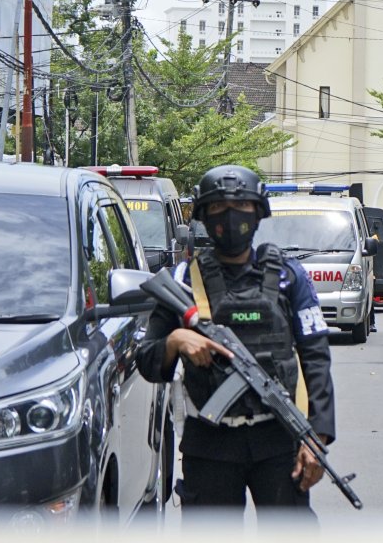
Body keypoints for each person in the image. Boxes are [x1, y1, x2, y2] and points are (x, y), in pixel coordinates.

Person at [135, 164, 336, 517]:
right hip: (209, 444)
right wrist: (177, 341)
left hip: (278, 439)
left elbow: (316, 356)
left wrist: (316, 439)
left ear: (258, 214)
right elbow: (148, 359)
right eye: (217, 208)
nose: (230, 217)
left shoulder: (290, 277)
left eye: (241, 207)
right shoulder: (182, 280)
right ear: (203, 216)